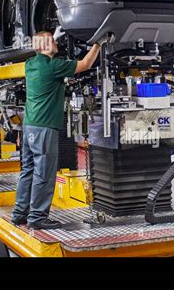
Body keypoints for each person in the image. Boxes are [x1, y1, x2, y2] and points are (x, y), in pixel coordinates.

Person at [11, 30, 107, 230]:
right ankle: (37, 218)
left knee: (28, 170)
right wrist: (99, 43)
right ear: (46, 45)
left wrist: (49, 38)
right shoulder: (53, 67)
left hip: (29, 126)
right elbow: (86, 65)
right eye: (53, 41)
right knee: (44, 173)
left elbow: (44, 49)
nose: (57, 43)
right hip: (44, 128)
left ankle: (19, 214)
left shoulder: (31, 64)